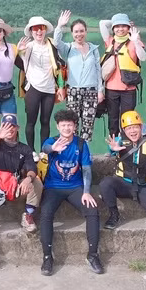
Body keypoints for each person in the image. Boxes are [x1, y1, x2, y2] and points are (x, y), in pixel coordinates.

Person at [102, 111, 146, 272]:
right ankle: (114, 215)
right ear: (124, 130)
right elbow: (112, 147)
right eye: (129, 128)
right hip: (123, 183)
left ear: (141, 128)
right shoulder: (120, 142)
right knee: (105, 184)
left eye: (136, 127)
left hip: (144, 187)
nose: (133, 131)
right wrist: (113, 149)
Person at [0, 114, 42, 275]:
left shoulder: (24, 148)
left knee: (37, 182)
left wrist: (28, 178)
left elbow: (31, 167)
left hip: (15, 187)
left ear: (17, 128)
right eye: (5, 126)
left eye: (12, 126)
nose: (9, 129)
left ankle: (28, 215)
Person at [39, 109, 102, 276]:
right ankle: (47, 257)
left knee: (92, 211)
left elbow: (87, 169)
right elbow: (44, 149)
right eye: (63, 125)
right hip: (53, 187)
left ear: (75, 126)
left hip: (75, 187)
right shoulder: (52, 141)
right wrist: (53, 148)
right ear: (57, 126)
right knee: (45, 213)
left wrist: (87, 192)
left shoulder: (81, 144)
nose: (66, 128)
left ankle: (93, 255)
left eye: (70, 125)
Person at [54, 10, 104, 143]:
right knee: (71, 123)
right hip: (73, 90)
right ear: (72, 34)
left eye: (81, 31)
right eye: (76, 31)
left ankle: (84, 151)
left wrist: (100, 90)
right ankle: (72, 150)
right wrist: (60, 26)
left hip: (91, 91)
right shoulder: (68, 48)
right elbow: (56, 42)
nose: (79, 34)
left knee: (88, 123)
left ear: (86, 32)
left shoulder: (94, 49)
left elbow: (98, 70)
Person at [19, 16, 65, 154]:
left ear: (45, 30)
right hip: (33, 88)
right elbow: (21, 55)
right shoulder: (28, 47)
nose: (39, 31)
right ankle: (31, 151)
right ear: (31, 31)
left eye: (42, 28)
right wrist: (20, 50)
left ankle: (44, 151)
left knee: (45, 121)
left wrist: (61, 87)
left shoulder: (52, 45)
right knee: (31, 121)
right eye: (35, 29)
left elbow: (59, 68)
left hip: (50, 89)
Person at [99, 13, 146, 136]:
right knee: (113, 118)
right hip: (111, 89)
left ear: (129, 28)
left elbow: (143, 57)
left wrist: (135, 41)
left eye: (124, 26)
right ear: (113, 28)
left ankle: (127, 144)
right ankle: (113, 146)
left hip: (128, 89)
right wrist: (116, 21)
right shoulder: (110, 41)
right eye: (117, 26)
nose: (120, 29)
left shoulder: (134, 41)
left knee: (128, 118)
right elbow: (102, 24)